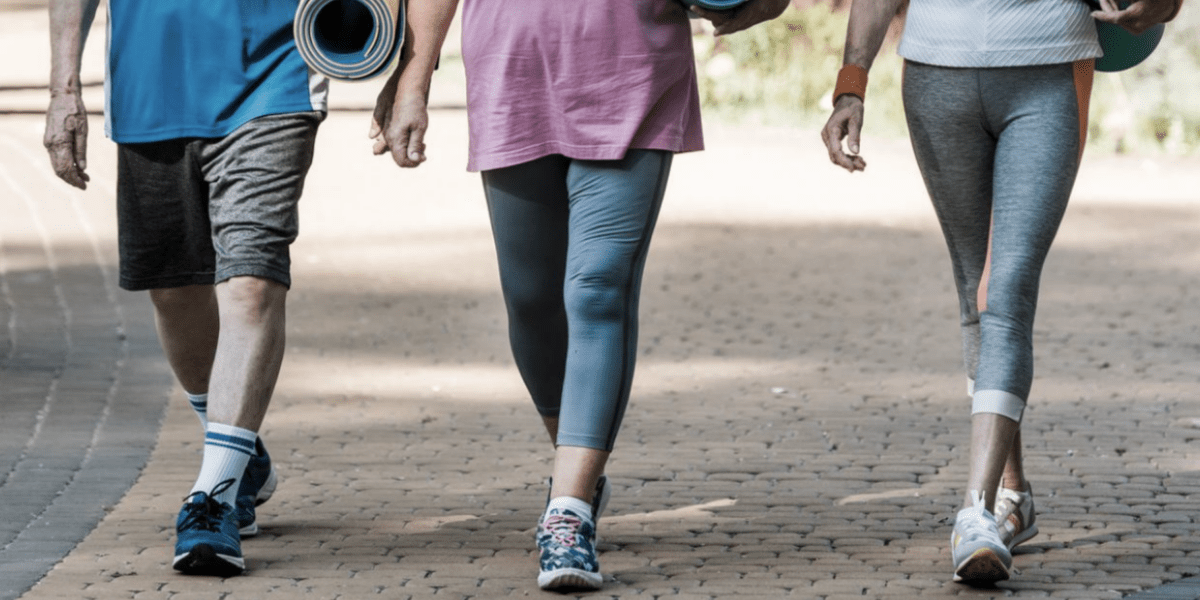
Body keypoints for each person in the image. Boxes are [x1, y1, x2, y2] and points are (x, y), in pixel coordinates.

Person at [371, 0, 787, 591]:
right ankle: (579, 464)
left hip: (632, 67)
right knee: (531, 300)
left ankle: (568, 511)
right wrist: (414, 75)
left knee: (597, 290)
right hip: (514, 71)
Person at [820, 0, 1184, 586]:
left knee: (1007, 289)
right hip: (936, 76)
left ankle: (978, 512)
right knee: (977, 295)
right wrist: (850, 84)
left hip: (1049, 71)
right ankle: (1014, 493)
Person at [45, 0, 328, 576]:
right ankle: (239, 449)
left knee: (250, 283)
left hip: (276, 75)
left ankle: (215, 496)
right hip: (151, 86)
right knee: (174, 290)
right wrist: (63, 89)